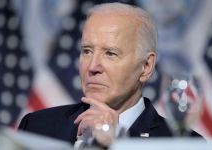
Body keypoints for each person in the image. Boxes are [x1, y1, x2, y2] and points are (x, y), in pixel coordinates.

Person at [19, 2, 201, 148]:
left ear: (146, 67)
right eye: (87, 51)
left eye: (110, 53)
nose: (92, 67)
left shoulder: (183, 144)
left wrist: (117, 145)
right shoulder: (37, 126)